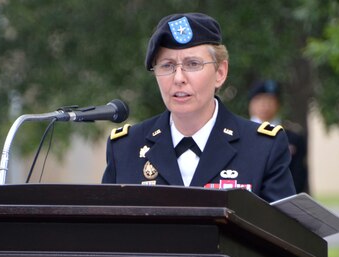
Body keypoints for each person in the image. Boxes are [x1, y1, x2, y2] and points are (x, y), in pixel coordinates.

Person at [102, 12, 296, 203]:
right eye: (167, 66)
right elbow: (106, 230)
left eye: (192, 64)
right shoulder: (125, 148)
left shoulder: (262, 147)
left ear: (220, 72)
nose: (178, 78)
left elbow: (281, 232)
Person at [248, 80, 309, 193]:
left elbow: (299, 175)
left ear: (278, 104)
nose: (265, 106)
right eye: (260, 100)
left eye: (270, 100)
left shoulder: (293, 137)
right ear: (251, 103)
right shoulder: (239, 133)